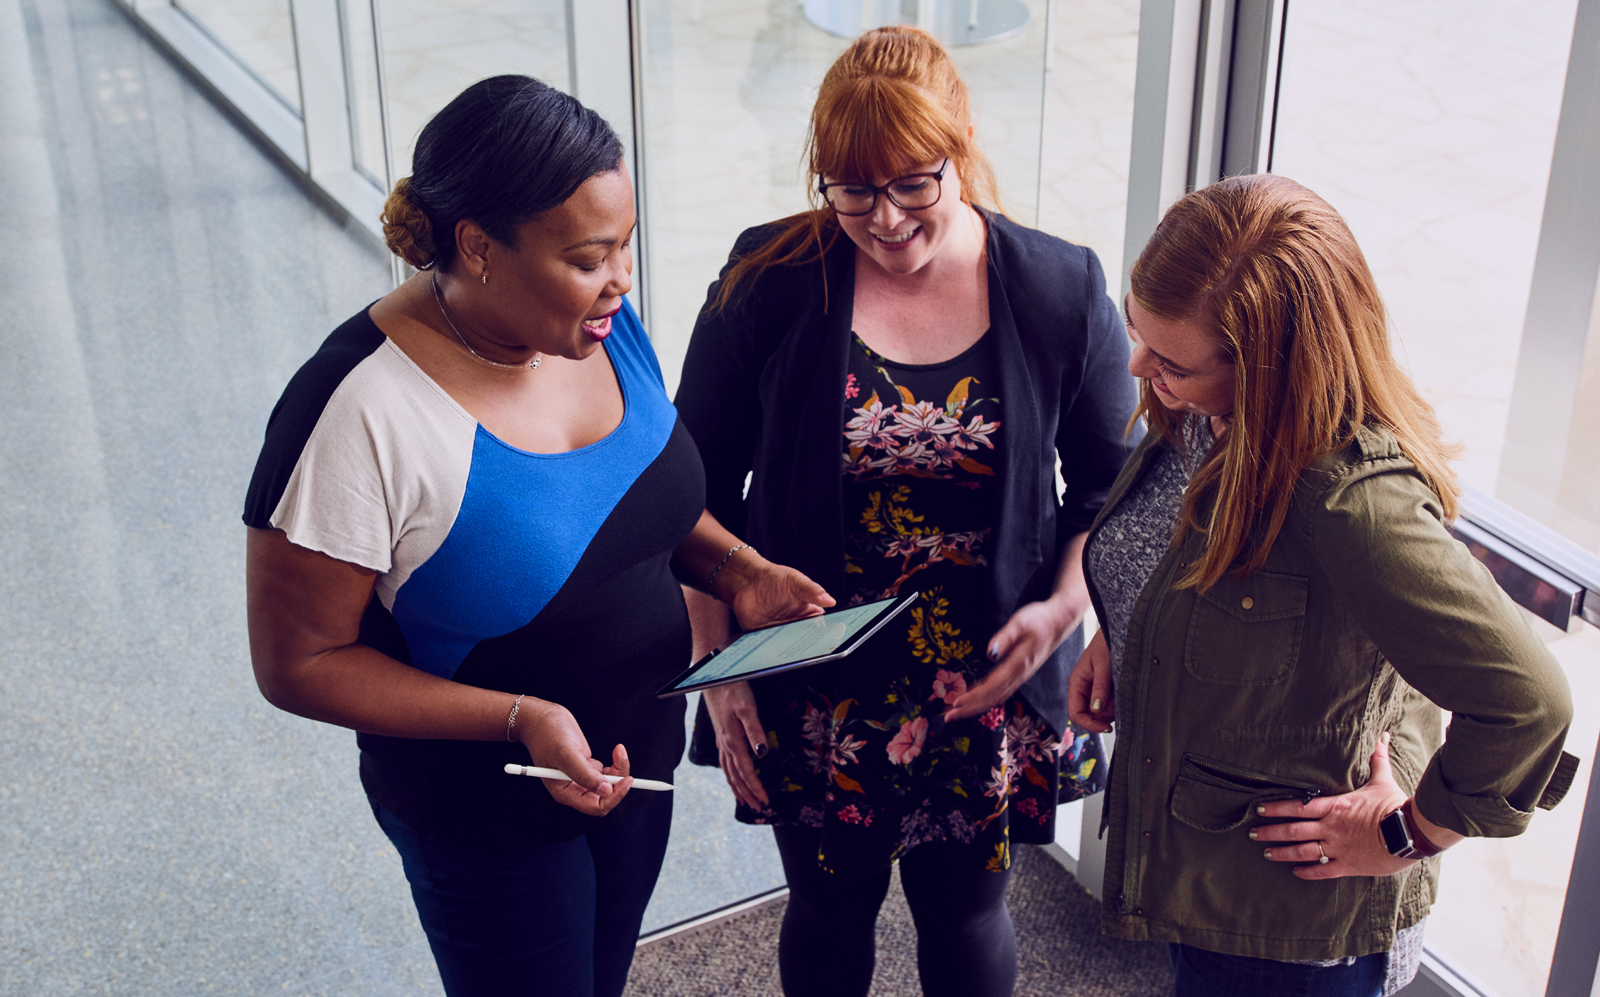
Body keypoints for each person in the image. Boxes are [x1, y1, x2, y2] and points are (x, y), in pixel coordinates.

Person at [242, 76, 828, 997]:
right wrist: (520, 715)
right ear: (478, 247)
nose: (622, 280)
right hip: (486, 800)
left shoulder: (593, 326)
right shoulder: (356, 410)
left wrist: (738, 566)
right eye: (592, 255)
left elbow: (635, 502)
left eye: (626, 246)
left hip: (637, 752)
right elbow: (299, 662)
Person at [673, 26, 1138, 997]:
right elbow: (691, 496)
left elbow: (1107, 491)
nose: (882, 218)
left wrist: (1063, 610)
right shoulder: (768, 280)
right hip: (814, 682)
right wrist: (718, 677)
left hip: (984, 676)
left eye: (911, 184)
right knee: (829, 910)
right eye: (850, 189)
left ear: (960, 143)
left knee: (965, 913)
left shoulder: (1058, 288)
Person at [1067, 173, 1578, 997]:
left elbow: (1530, 702)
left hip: (1287, 933)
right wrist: (1126, 630)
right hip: (1206, 881)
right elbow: (1208, 565)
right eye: (1137, 332)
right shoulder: (1211, 408)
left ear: (1270, 365)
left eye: (1170, 360)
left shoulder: (1350, 500)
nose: (1137, 366)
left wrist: (1412, 834)